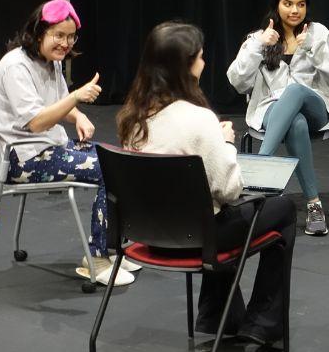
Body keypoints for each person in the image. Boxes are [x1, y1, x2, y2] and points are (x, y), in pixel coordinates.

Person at [117, 22, 296, 344]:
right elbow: (228, 189)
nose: (204, 62)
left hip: (147, 234)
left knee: (216, 210)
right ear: (185, 66)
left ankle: (218, 314)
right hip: (198, 239)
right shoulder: (199, 120)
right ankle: (262, 323)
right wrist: (225, 143)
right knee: (281, 208)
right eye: (200, 57)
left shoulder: (132, 118)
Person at [0, 0, 137, 286]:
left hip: (50, 147)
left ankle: (113, 246)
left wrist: (77, 116)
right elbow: (36, 122)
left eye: (70, 36)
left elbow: (57, 104)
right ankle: (96, 257)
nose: (66, 43)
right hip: (25, 159)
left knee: (121, 160)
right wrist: (76, 97)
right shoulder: (16, 67)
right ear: (38, 31)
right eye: (59, 35)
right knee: (110, 169)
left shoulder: (49, 61)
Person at [227, 0, 329, 236]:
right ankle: (314, 204)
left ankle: (259, 169)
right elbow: (237, 82)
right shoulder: (258, 37)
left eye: (301, 4)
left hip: (316, 108)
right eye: (288, 4)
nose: (295, 10)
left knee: (295, 92)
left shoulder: (319, 34)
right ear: (277, 6)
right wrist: (259, 45)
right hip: (271, 111)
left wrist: (314, 49)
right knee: (296, 124)